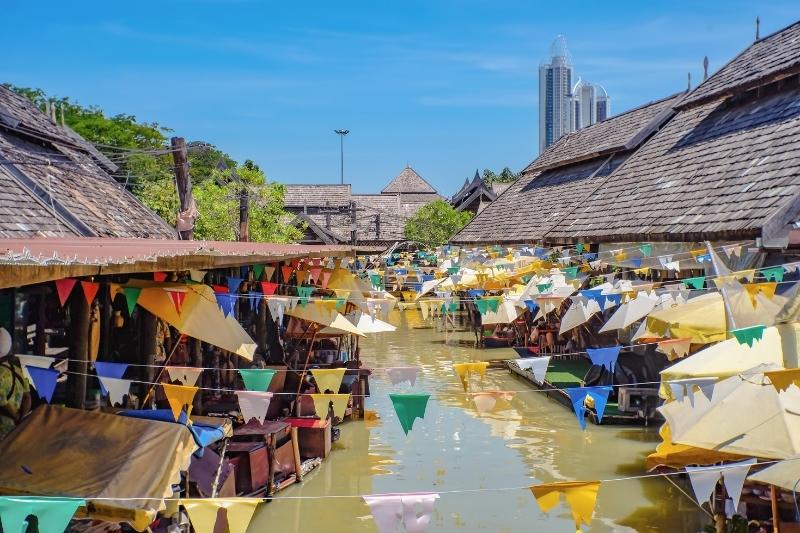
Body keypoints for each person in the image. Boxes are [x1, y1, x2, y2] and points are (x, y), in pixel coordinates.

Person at [0, 328, 31, 440]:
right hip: (14, 433)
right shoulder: (18, 371)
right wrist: (21, 417)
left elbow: (2, 403)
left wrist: (15, 416)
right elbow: (27, 397)